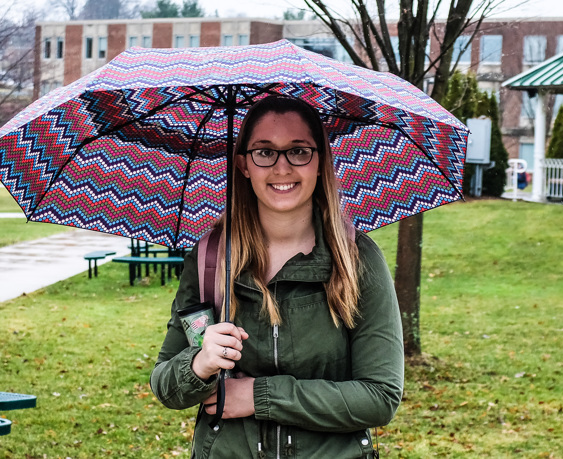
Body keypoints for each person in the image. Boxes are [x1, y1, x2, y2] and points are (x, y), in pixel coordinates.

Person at [150, 96, 404, 458]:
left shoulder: (356, 259)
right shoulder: (209, 258)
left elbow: (380, 397)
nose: (282, 167)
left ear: (320, 163)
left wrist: (259, 396)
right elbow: (164, 386)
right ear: (243, 165)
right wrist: (199, 363)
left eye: (299, 151)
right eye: (264, 152)